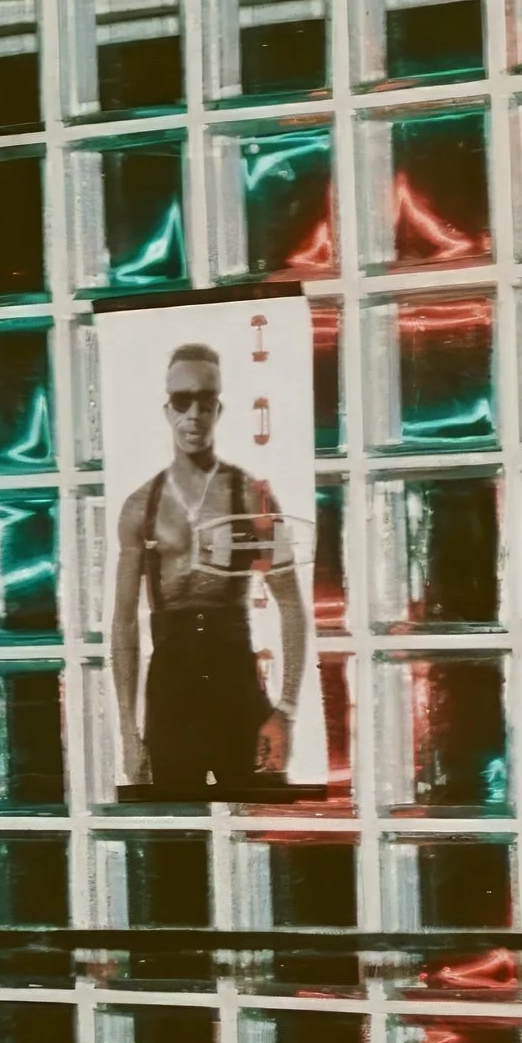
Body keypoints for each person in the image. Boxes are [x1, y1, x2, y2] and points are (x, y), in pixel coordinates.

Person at [108, 341, 309, 797]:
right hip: (171, 694)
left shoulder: (252, 497)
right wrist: (126, 728)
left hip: (235, 684)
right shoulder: (141, 507)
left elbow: (292, 604)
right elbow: (123, 622)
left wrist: (286, 710)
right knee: (174, 841)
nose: (193, 413)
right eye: (183, 401)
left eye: (205, 401)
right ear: (167, 410)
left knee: (257, 832)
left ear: (218, 409)